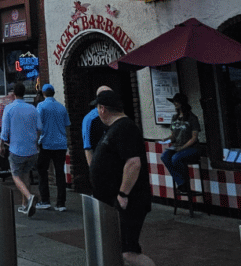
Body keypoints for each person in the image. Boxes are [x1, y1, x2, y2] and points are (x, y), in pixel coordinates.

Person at [90, 89, 155, 266]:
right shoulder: (116, 129)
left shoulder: (125, 128)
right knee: (119, 251)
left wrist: (123, 194)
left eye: (97, 108)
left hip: (130, 201)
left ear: (102, 109)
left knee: (128, 252)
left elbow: (133, 163)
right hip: (115, 201)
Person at [0, 82, 42, 216]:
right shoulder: (32, 108)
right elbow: (40, 128)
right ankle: (25, 205)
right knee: (26, 175)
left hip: (16, 149)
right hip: (32, 149)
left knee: (16, 175)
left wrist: (1, 145)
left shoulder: (9, 108)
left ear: (13, 94)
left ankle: (29, 197)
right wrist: (36, 141)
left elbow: (4, 130)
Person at [36, 83, 70, 211]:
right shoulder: (61, 107)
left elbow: (38, 126)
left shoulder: (41, 106)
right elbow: (67, 124)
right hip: (60, 144)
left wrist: (36, 140)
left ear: (44, 94)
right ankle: (61, 203)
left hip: (46, 143)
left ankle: (45, 200)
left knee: (42, 170)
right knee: (60, 172)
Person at [161, 92, 200, 193]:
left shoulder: (192, 118)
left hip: (191, 148)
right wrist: (167, 139)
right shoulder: (175, 118)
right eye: (174, 102)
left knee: (175, 158)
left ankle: (186, 182)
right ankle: (181, 183)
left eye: (176, 102)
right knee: (164, 156)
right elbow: (174, 135)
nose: (175, 104)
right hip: (177, 146)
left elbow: (194, 138)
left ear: (182, 103)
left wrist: (182, 148)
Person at [82, 85, 113, 165]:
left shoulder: (116, 115)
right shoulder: (90, 119)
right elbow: (88, 148)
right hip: (101, 163)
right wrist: (93, 171)